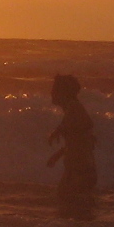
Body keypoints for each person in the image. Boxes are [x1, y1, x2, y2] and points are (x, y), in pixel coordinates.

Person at [46, 73, 97, 219]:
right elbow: (79, 139)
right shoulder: (72, 110)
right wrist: (57, 155)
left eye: (54, 90)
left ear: (63, 93)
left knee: (71, 213)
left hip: (80, 172)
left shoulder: (74, 108)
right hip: (78, 171)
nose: (51, 93)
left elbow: (87, 127)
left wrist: (61, 129)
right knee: (72, 214)